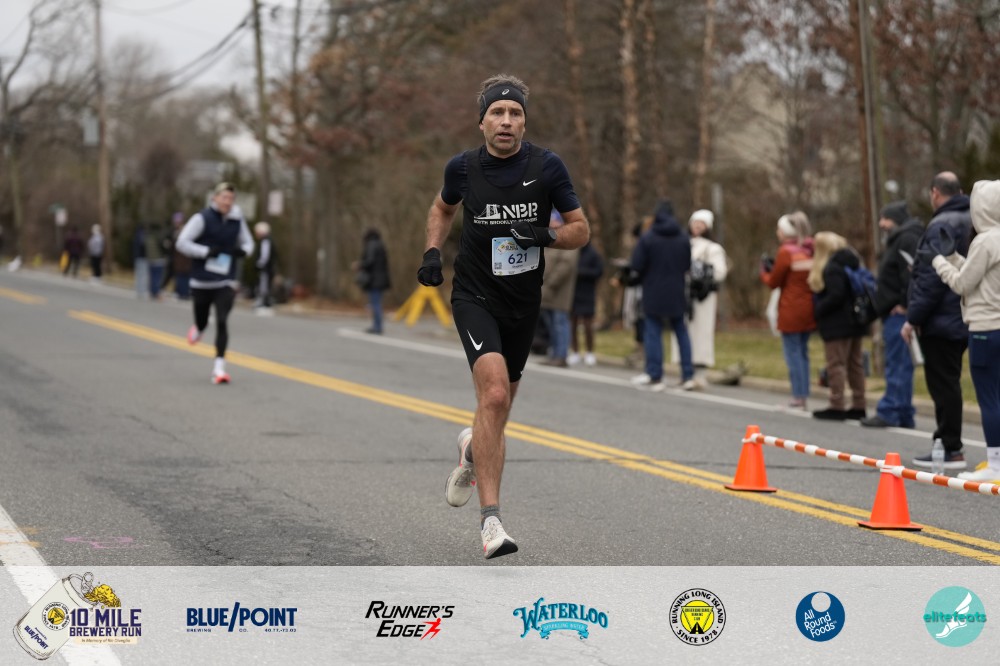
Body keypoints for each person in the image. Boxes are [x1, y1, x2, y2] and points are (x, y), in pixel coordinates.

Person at [417, 73, 590, 559]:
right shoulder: (463, 168)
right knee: (492, 395)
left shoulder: (547, 167)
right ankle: (491, 522)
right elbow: (441, 208)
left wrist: (545, 235)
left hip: (523, 303)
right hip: (474, 296)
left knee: (499, 409)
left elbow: (581, 230)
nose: (506, 120)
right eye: (497, 112)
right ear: (482, 122)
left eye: (515, 113)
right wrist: (433, 251)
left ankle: (473, 449)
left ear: (524, 122)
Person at [928, 180, 1000, 481]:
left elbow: (962, 284)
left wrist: (938, 261)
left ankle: (996, 464)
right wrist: (954, 256)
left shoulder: (985, 240)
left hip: (985, 327)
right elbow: (978, 273)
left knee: (989, 398)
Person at [903, 172, 972, 470]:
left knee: (943, 384)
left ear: (935, 193)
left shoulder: (941, 224)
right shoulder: (974, 219)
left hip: (941, 318)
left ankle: (949, 446)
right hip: (966, 313)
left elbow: (931, 279)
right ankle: (951, 444)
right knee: (952, 380)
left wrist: (913, 318)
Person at [176, 182, 254, 384]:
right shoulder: (202, 218)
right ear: (214, 198)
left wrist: (244, 251)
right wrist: (205, 252)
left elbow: (249, 243)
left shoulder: (237, 220)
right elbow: (181, 242)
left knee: (222, 320)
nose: (227, 202)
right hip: (201, 280)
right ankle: (200, 328)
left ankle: (219, 369)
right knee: (202, 319)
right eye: (224, 197)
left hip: (225, 280)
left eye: (231, 198)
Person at [861, 201, 923, 428]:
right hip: (893, 312)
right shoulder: (901, 239)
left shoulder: (906, 239)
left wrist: (906, 304)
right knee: (901, 364)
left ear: (895, 219)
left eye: (885, 218)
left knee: (897, 363)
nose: (881, 224)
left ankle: (891, 410)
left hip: (899, 314)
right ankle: (903, 412)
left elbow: (913, 273)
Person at [628, 200, 694, 391]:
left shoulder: (649, 237)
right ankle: (687, 375)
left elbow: (637, 264)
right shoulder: (683, 237)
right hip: (677, 289)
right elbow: (687, 264)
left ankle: (655, 374)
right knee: (681, 332)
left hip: (653, 289)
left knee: (653, 332)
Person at [807, 232, 869, 420]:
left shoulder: (832, 268)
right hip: (855, 321)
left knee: (836, 364)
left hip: (837, 324)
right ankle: (859, 403)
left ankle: (837, 403)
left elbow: (836, 295)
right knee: (855, 364)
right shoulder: (851, 262)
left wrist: (818, 310)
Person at [760, 212, 816, 410]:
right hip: (809, 307)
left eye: (779, 229)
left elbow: (774, 282)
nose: (777, 232)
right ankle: (804, 394)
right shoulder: (809, 249)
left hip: (790, 308)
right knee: (803, 353)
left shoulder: (786, 252)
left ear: (785, 231)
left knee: (793, 354)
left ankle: (798, 396)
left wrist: (764, 272)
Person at [672, 209, 728, 388]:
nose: (697, 226)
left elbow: (719, 272)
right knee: (682, 331)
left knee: (701, 334)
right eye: (695, 222)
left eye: (702, 223)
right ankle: (685, 371)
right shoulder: (683, 244)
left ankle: (700, 374)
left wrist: (701, 272)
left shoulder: (713, 248)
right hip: (684, 295)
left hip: (702, 298)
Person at [539, 211, 579, 367]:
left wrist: (550, 283)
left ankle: (561, 355)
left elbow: (565, 265)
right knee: (551, 325)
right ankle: (554, 354)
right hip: (547, 291)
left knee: (559, 323)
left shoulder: (568, 239)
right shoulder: (550, 238)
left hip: (559, 292)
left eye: (553, 221)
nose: (550, 223)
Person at [568, 238, 603, 366]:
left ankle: (590, 352)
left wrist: (581, 272)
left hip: (587, 293)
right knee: (573, 324)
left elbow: (599, 272)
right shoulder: (573, 252)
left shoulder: (593, 254)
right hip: (573, 292)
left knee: (588, 325)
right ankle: (575, 352)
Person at [355, 228, 390, 333]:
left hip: (374, 280)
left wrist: (360, 265)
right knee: (376, 303)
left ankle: (377, 327)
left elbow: (369, 262)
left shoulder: (371, 245)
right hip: (381, 279)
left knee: (375, 303)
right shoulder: (381, 245)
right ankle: (377, 326)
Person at [254, 221, 278, 313]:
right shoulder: (267, 240)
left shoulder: (265, 241)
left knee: (264, 286)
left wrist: (259, 265)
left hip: (266, 268)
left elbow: (265, 255)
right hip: (268, 268)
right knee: (265, 285)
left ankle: (264, 304)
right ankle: (264, 303)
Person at [145, 220, 168, 300]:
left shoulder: (148, 236)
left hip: (150, 259)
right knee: (158, 277)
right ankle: (157, 293)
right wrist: (164, 254)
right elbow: (162, 247)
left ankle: (152, 292)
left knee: (152, 277)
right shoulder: (158, 236)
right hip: (158, 259)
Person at [132, 223, 148, 298]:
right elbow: (143, 246)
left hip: (137, 257)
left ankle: (138, 290)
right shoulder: (142, 236)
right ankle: (142, 290)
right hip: (142, 257)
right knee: (143, 275)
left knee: (138, 275)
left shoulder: (136, 236)